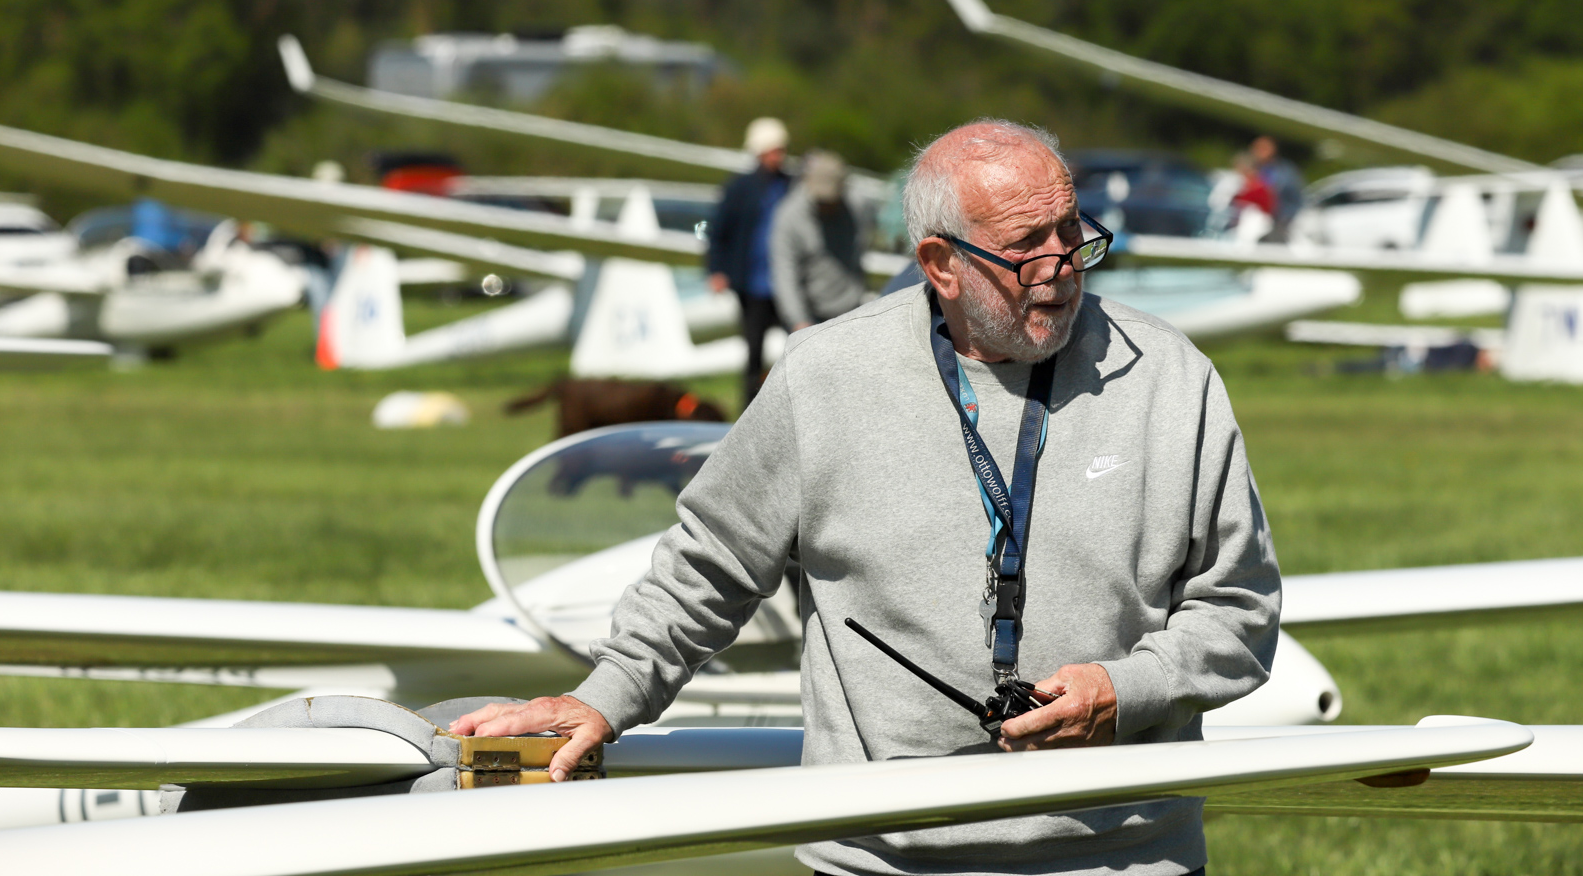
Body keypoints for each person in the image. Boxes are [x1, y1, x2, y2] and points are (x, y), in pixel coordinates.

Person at [452, 119, 1281, 876]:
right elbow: (708, 567)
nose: (1061, 270)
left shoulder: (1170, 376)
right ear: (941, 264)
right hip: (880, 858)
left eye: (1072, 234)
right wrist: (603, 697)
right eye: (1027, 248)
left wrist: (1126, 690)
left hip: (1127, 858)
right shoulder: (824, 377)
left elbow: (1239, 611)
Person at [706, 116, 793, 404]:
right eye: (773, 151)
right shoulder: (739, 188)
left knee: (799, 344)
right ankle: (748, 411)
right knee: (753, 352)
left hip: (785, 284)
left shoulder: (791, 186)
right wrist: (717, 270)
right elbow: (719, 231)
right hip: (753, 285)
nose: (778, 156)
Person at [769, 151, 868, 332]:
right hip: (811, 315)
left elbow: (859, 250)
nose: (826, 206)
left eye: (831, 200)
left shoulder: (856, 207)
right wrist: (799, 321)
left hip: (852, 308)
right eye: (821, 201)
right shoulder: (789, 217)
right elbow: (785, 273)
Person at [1251, 135, 1304, 242]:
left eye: (1263, 148)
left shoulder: (1285, 170)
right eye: (1257, 148)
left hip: (1281, 217)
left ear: (1273, 150)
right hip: (1257, 215)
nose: (1259, 151)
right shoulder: (1253, 167)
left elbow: (1294, 196)